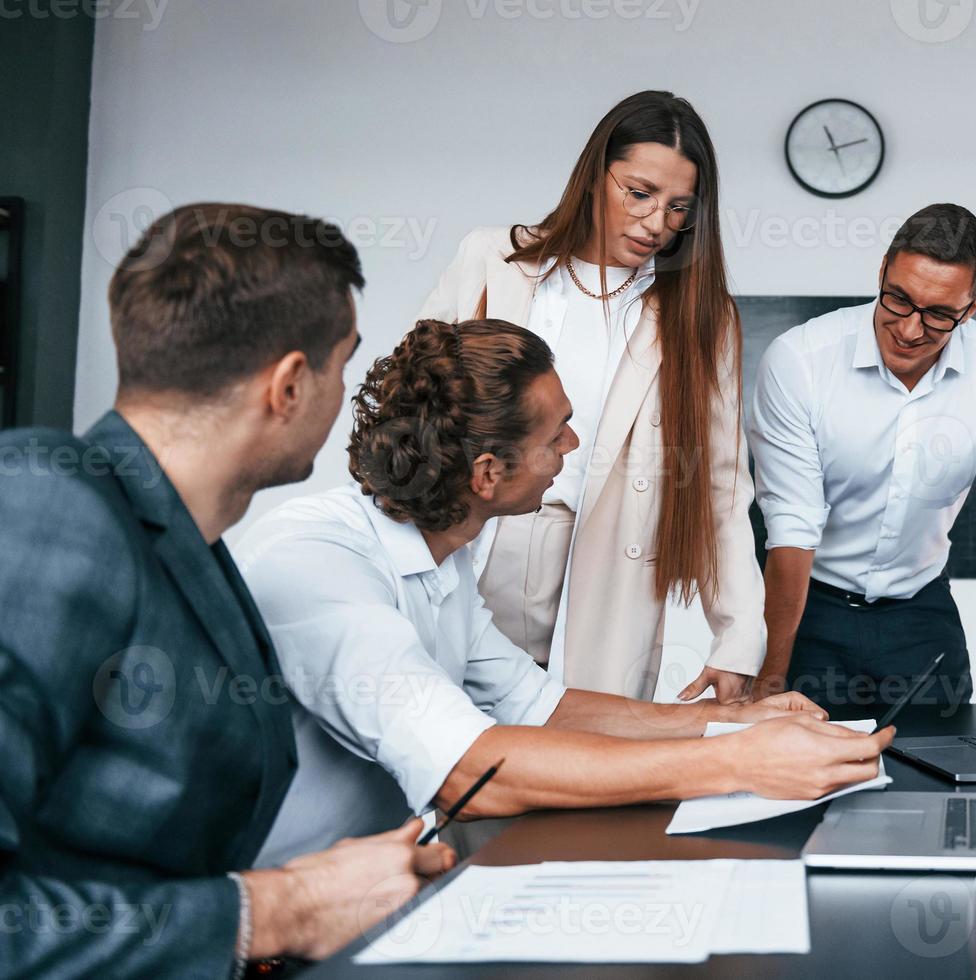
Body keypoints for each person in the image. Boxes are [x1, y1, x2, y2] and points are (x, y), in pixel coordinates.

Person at [240, 318, 894, 864]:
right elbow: (471, 774)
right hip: (283, 935)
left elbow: (537, 705)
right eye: (557, 435)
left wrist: (729, 721)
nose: (574, 445)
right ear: (488, 473)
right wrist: (737, 761)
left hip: (379, 884)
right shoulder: (319, 565)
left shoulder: (443, 557)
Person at [0, 203, 455, 977]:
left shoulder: (184, 538)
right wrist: (281, 909)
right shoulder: (49, 506)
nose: (346, 392)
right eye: (344, 364)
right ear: (287, 386)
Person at [418, 90, 761, 704]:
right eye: (640, 193)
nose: (658, 222)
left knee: (589, 756)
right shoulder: (493, 259)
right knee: (447, 747)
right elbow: (412, 409)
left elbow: (722, 487)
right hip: (477, 539)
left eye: (680, 207)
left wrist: (736, 639)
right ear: (594, 174)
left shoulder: (703, 315)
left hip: (608, 564)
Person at [747, 203, 976, 715]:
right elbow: (793, 526)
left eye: (938, 315)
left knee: (940, 772)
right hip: (809, 606)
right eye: (899, 300)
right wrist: (771, 679)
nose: (910, 331)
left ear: (972, 307)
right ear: (883, 269)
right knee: (793, 774)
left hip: (921, 610)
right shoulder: (801, 360)